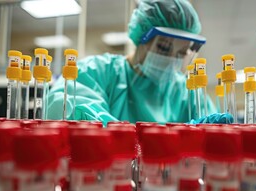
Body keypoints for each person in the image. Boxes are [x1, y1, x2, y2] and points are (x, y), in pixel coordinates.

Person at [47, 0, 233, 125]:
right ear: (142, 38)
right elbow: (65, 105)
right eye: (164, 48)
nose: (171, 60)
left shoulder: (187, 94)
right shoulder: (99, 72)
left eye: (182, 53)